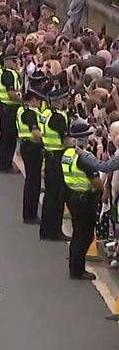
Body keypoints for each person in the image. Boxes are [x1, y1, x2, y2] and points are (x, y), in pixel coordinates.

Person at [61, 119, 103, 280]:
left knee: (77, 233)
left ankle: (74, 267)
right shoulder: (85, 157)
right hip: (85, 199)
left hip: (72, 196)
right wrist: (101, 190)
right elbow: (97, 182)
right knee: (85, 235)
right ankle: (78, 270)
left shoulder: (67, 154)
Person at [39, 87, 71, 241]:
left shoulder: (45, 114)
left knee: (49, 196)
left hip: (49, 156)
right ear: (58, 100)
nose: (66, 101)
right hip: (57, 158)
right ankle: (54, 231)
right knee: (57, 197)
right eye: (64, 98)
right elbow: (66, 141)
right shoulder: (58, 118)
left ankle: (45, 230)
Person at [16, 85, 44, 224]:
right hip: (32, 147)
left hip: (28, 146)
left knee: (33, 181)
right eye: (39, 100)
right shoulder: (30, 113)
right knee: (33, 182)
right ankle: (30, 214)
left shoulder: (23, 109)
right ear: (33, 99)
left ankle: (30, 213)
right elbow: (36, 133)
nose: (40, 103)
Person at [0, 53, 22, 173]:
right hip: (10, 109)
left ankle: (4, 163)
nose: (16, 64)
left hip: (4, 107)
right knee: (9, 138)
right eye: (14, 61)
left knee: (5, 137)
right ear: (8, 61)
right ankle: (6, 165)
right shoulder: (8, 75)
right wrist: (23, 101)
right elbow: (11, 94)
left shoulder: (1, 72)